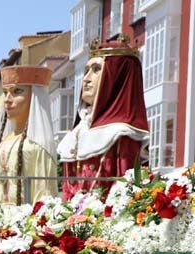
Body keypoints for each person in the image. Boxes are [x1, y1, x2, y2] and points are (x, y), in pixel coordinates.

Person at [57, 37, 149, 200]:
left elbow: (124, 194)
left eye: (96, 69)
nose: (86, 79)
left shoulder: (121, 134)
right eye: (86, 71)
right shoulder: (76, 133)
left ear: (115, 79)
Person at [0, 65, 58, 206]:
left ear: (35, 97)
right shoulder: (3, 142)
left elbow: (43, 197)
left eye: (16, 91)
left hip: (26, 223)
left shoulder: (38, 143)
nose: (7, 100)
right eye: (5, 92)